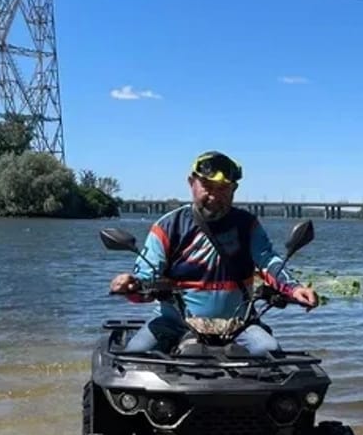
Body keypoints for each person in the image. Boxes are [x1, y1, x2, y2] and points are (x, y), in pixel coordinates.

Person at [110, 150, 318, 354]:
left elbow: (268, 260)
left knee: (269, 351)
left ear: (233, 189)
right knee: (134, 357)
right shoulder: (168, 226)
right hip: (174, 321)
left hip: (237, 324)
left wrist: (293, 288)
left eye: (222, 189)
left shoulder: (247, 225)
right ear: (192, 183)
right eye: (207, 187)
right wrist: (130, 284)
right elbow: (146, 274)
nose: (214, 196)